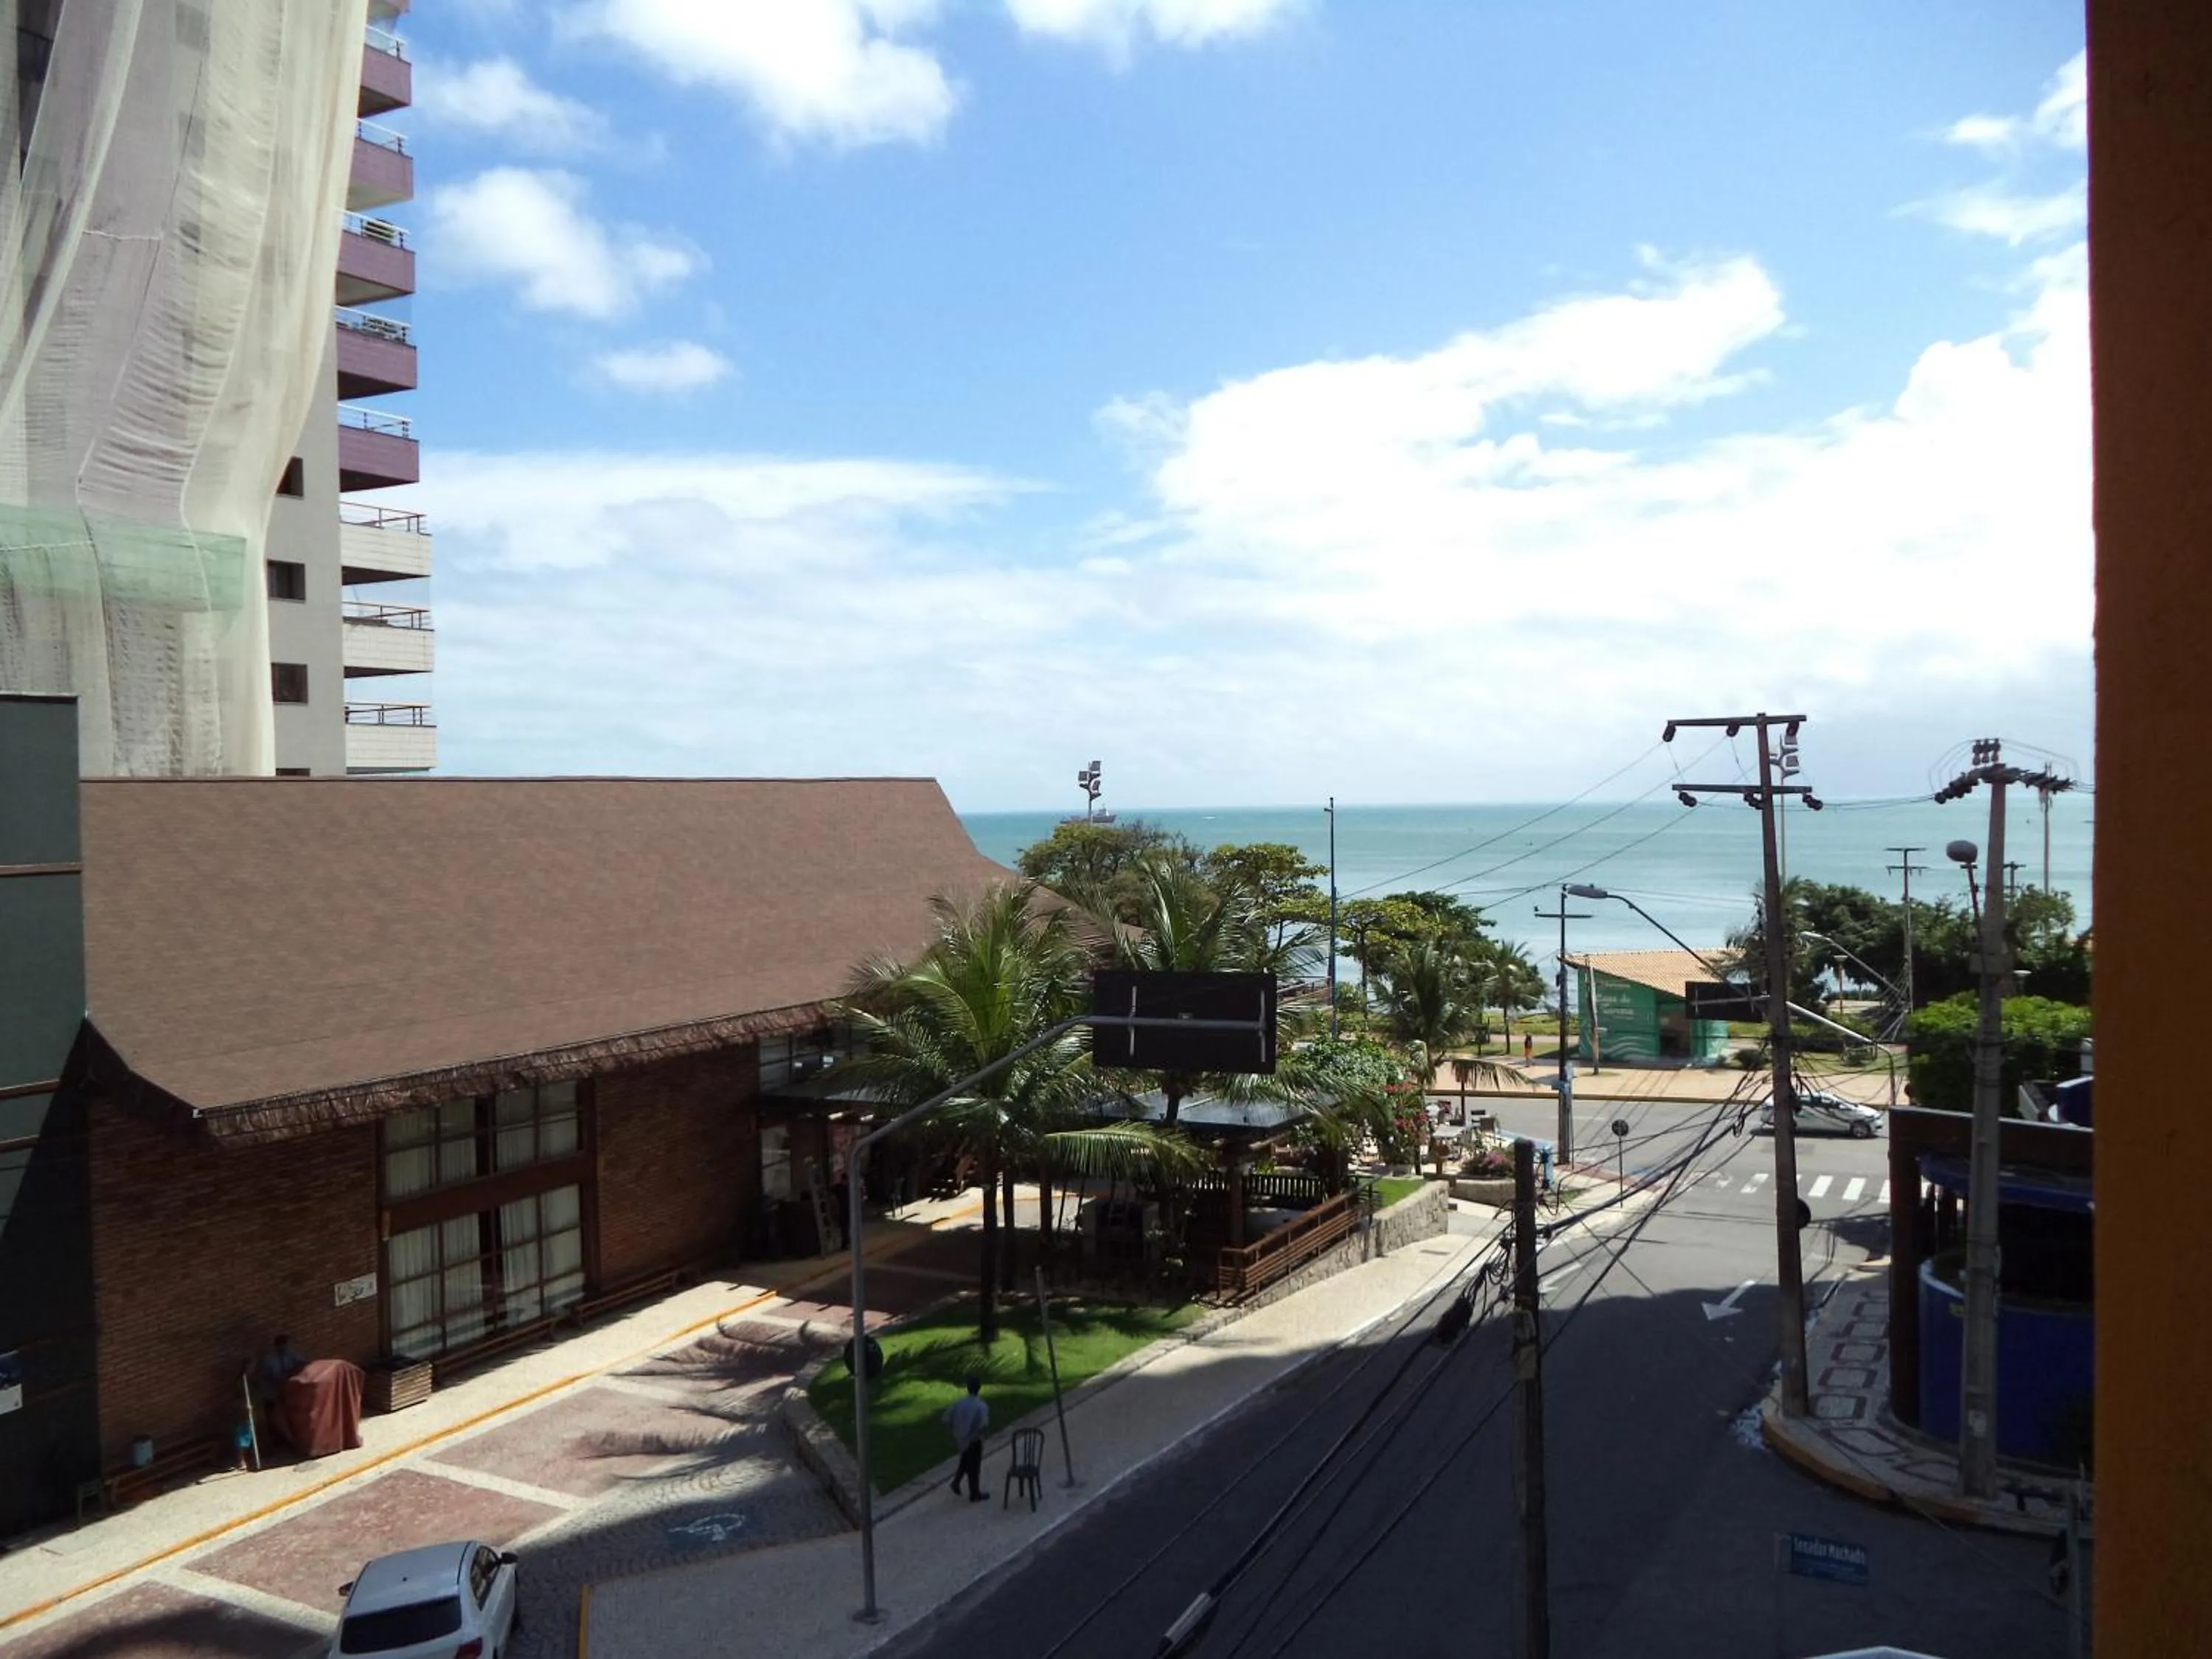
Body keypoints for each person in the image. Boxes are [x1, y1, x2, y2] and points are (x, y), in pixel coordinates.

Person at [943, 1373, 990, 1502]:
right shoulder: (981, 1406)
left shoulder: (959, 1403)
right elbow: (984, 1424)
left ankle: (957, 1482)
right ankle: (974, 1493)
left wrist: (954, 1431)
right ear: (979, 1388)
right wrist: (977, 1434)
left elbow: (946, 1418)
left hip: (960, 1438)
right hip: (973, 1440)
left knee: (965, 1460)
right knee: (974, 1467)